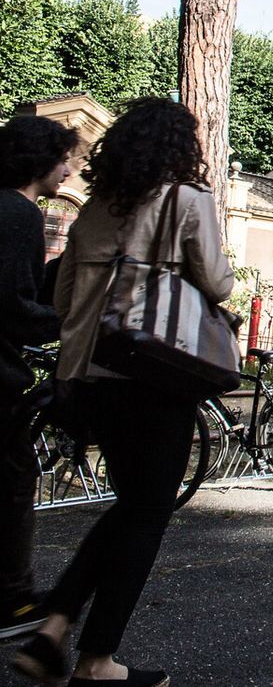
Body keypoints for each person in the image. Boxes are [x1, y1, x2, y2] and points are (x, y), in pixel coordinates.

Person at [12, 99, 233, 687]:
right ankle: (94, 658)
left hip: (85, 377)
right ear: (180, 148)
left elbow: (62, 306)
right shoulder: (187, 201)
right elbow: (218, 280)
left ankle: (56, 628)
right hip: (155, 374)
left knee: (132, 505)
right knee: (147, 510)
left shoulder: (91, 213)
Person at [1, 117, 79, 643]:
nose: (71, 169)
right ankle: (13, 598)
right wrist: (73, 322)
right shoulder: (18, 212)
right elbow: (12, 304)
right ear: (41, 161)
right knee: (13, 478)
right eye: (65, 158)